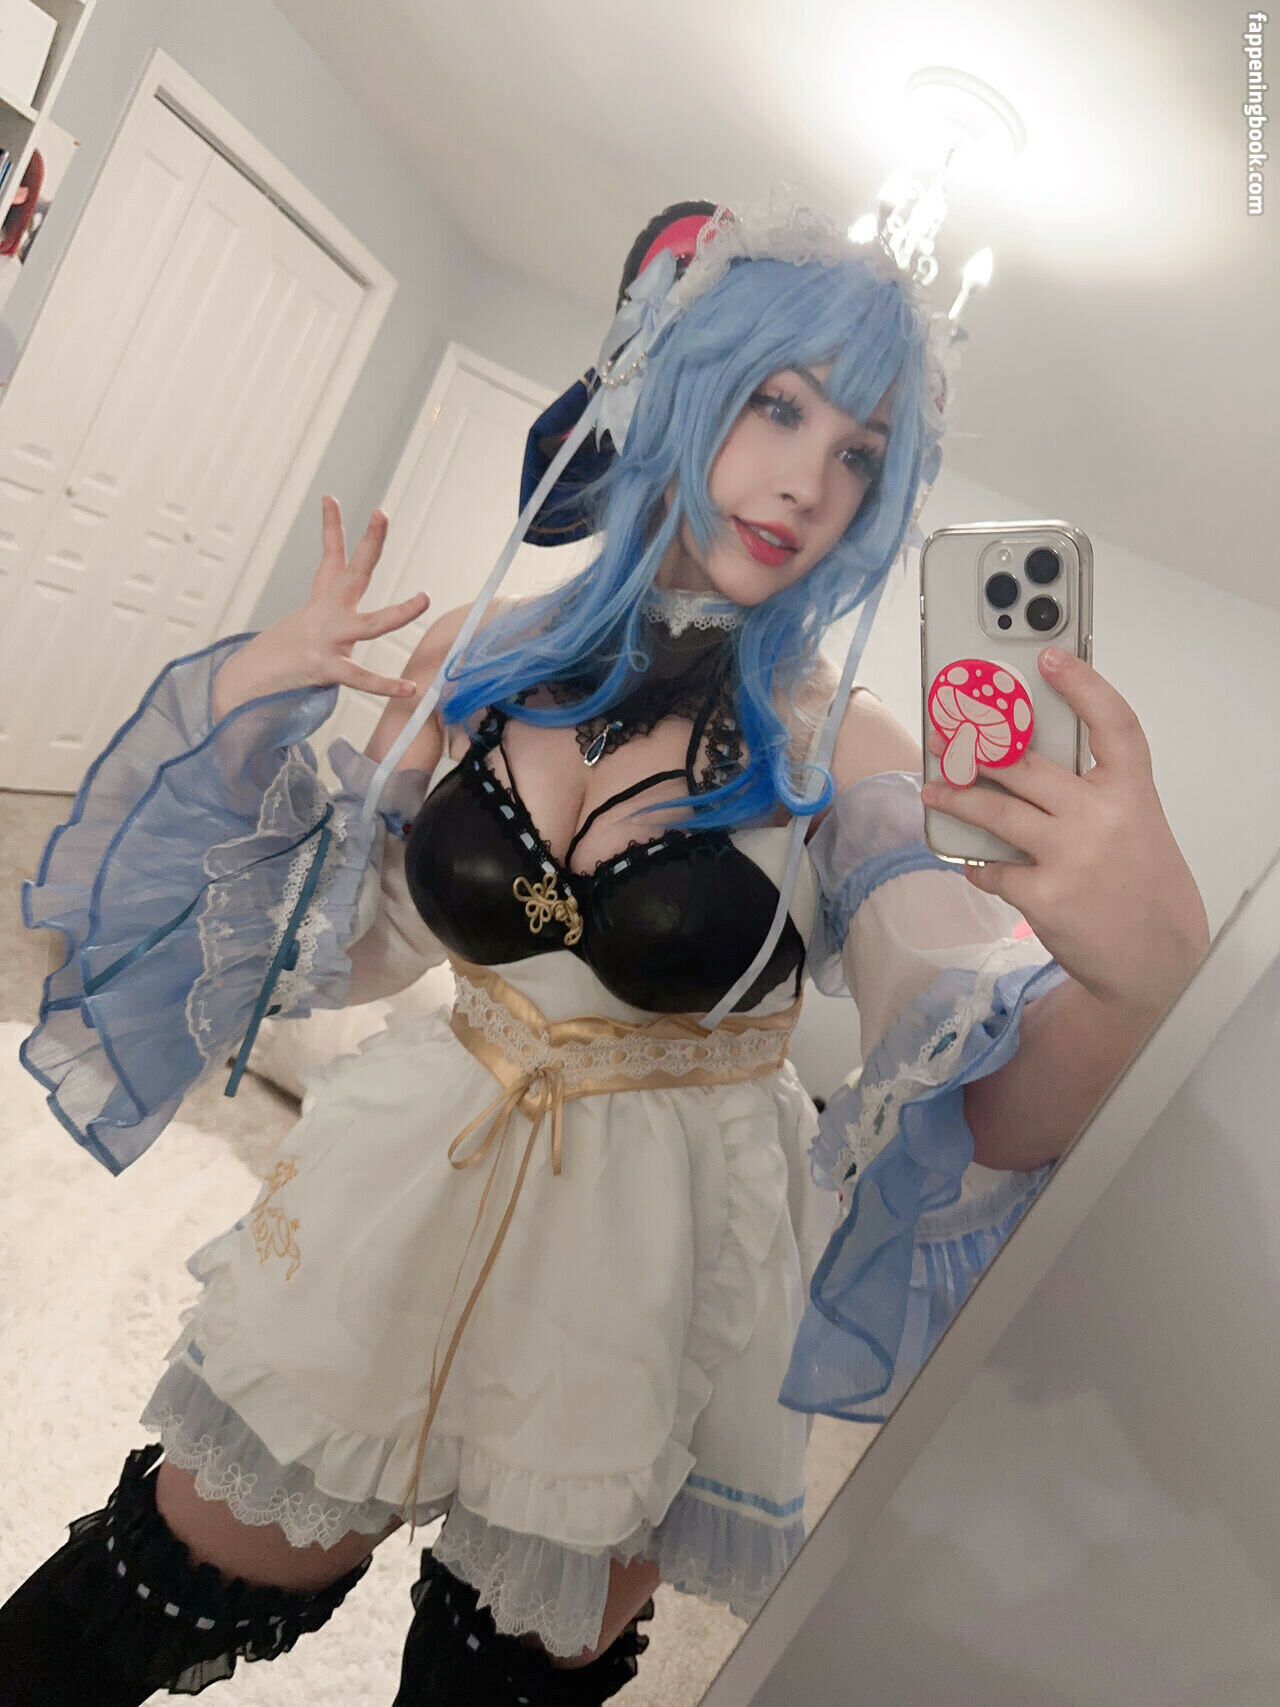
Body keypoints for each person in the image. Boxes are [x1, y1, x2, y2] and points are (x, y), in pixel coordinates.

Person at [4, 199, 1209, 1704]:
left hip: (653, 1281)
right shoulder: (481, 654)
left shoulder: (848, 753)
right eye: (780, 406)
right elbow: (347, 949)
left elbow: (988, 1108)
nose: (810, 482)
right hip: (408, 1184)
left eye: (861, 454)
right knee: (109, 1613)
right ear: (687, 386)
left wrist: (1148, 977)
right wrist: (254, 705)